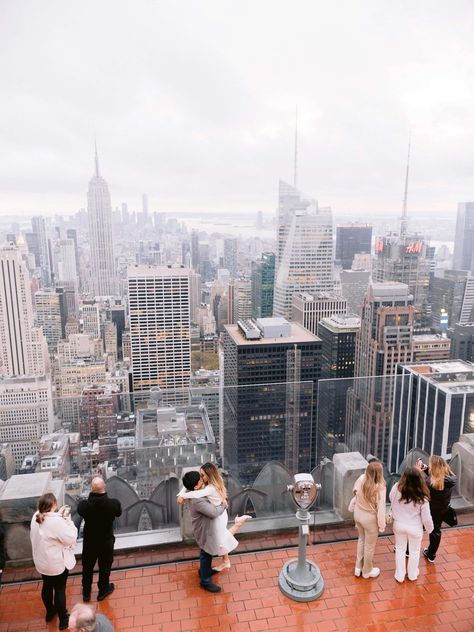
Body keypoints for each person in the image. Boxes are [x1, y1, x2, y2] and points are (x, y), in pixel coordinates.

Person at [177, 462, 251, 571]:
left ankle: (238, 523)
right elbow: (190, 483)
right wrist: (181, 492)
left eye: (202, 475)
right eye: (200, 475)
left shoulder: (210, 488)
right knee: (221, 537)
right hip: (221, 511)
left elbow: (195, 494)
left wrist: (182, 495)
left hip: (219, 515)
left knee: (221, 540)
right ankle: (226, 561)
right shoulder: (216, 480)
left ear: (208, 475)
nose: (200, 478)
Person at [30, 493, 77, 630]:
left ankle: (50, 612)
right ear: (54, 505)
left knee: (47, 586)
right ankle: (63, 619)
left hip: (42, 561)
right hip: (56, 563)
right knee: (60, 589)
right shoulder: (55, 522)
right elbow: (70, 538)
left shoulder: (35, 517)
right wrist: (67, 519)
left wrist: (58, 516)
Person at [181, 469, 227, 592]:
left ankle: (203, 571)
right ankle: (205, 581)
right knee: (206, 552)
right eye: (200, 479)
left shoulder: (193, 490)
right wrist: (223, 505)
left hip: (203, 527)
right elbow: (213, 513)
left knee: (206, 551)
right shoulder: (197, 500)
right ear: (196, 486)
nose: (203, 479)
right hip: (204, 530)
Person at [78, 477, 122, 602]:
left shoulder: (84, 506)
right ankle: (102, 591)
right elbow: (119, 512)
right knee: (105, 566)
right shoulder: (113, 504)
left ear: (91, 489)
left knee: (87, 567)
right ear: (104, 487)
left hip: (90, 542)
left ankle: (86, 592)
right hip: (106, 540)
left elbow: (80, 508)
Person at [389, 467, 434, 583]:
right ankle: (412, 574)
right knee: (414, 552)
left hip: (399, 524)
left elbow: (390, 498)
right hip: (415, 527)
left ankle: (399, 575)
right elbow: (426, 518)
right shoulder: (422, 497)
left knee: (400, 549)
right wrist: (430, 529)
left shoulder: (396, 488)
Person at [416, 456, 457, 563]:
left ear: (433, 468)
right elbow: (437, 476)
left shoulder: (429, 483)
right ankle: (431, 554)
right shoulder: (451, 479)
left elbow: (419, 490)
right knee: (435, 531)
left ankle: (407, 550)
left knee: (416, 527)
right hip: (442, 510)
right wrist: (425, 468)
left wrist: (418, 471)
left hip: (428, 510)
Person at [350, 461, 386, 579]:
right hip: (369, 519)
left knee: (361, 539)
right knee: (369, 545)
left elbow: (355, 493)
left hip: (358, 514)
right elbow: (381, 510)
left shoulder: (361, 479)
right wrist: (381, 525)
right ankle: (367, 571)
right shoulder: (380, 487)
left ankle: (358, 568)